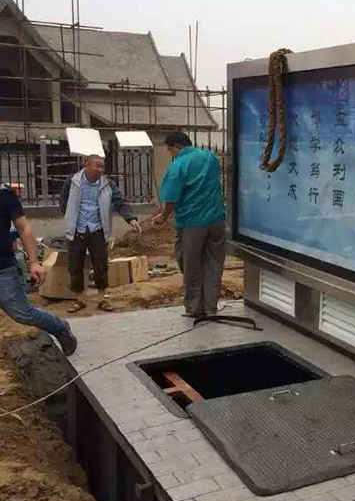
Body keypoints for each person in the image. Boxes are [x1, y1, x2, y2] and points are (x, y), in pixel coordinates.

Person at [150, 132, 226, 318]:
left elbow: (171, 199)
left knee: (191, 265)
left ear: (175, 146)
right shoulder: (210, 157)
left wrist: (163, 217)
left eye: (170, 151)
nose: (171, 154)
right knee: (214, 264)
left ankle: (194, 308)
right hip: (216, 220)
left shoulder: (178, 165)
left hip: (192, 223)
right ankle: (210, 307)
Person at [0, 184, 77, 355]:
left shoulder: (4, 194)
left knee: (22, 313)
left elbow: (23, 228)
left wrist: (34, 262)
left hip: (3, 270)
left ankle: (60, 327)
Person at [61, 154, 142, 313]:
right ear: (86, 165)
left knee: (101, 265)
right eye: (97, 166)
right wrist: (69, 217)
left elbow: (119, 202)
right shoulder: (73, 182)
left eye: (102, 167)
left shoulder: (107, 184)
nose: (100, 169)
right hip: (77, 229)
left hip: (98, 229)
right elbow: (63, 201)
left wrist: (131, 218)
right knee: (75, 265)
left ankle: (101, 298)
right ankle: (80, 299)